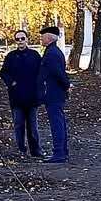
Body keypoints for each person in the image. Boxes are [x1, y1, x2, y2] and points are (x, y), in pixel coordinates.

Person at [0, 30, 42, 156]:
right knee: (18, 125)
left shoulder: (34, 55)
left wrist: (40, 88)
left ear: (27, 39)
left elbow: (41, 72)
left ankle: (36, 150)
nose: (20, 41)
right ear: (15, 41)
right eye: (18, 39)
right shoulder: (11, 56)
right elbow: (3, 72)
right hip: (16, 97)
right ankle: (21, 149)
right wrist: (11, 82)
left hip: (31, 96)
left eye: (23, 38)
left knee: (33, 126)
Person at [37, 25, 71, 163]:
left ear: (50, 38)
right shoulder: (54, 51)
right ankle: (62, 150)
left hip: (53, 93)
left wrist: (67, 85)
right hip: (55, 92)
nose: (40, 39)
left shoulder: (51, 53)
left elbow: (57, 73)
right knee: (59, 121)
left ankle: (59, 153)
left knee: (56, 123)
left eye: (42, 37)